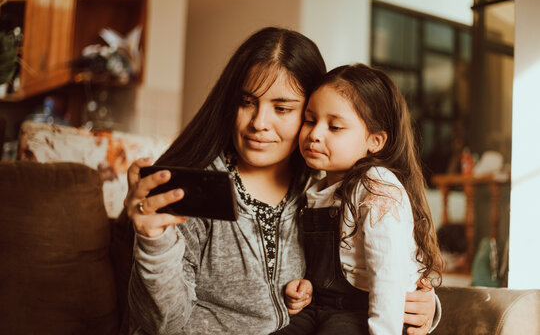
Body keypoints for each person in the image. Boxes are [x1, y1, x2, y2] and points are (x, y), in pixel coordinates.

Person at [124, 27, 440, 334]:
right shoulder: (193, 191)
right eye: (247, 102)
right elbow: (163, 324)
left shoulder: (323, 187)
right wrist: (154, 243)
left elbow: (380, 261)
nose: (259, 123)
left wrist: (423, 304)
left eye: (282, 108)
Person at [277, 64, 443, 335]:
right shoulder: (314, 188)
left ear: (375, 141)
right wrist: (307, 285)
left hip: (368, 309)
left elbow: (388, 275)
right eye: (310, 120)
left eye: (335, 126)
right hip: (322, 306)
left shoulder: (375, 185)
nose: (315, 134)